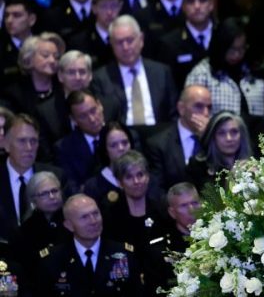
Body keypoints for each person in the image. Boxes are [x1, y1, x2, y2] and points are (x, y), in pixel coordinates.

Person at [37, 194, 143, 295]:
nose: (93, 221)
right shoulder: (53, 260)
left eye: (96, 214)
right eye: (84, 217)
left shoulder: (123, 254)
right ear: (69, 225)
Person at [90, 14, 178, 129]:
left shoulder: (161, 72)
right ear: (111, 44)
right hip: (122, 138)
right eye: (119, 42)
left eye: (130, 40)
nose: (126, 47)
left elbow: (173, 114)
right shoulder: (101, 78)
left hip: (158, 135)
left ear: (141, 39)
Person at [101, 150, 168, 294]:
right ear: (119, 182)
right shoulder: (111, 216)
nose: (137, 181)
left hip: (160, 285)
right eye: (129, 177)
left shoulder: (161, 210)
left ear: (148, 177)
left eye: (140, 175)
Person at [0, 114, 67, 242]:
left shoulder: (57, 177)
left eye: (33, 141)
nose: (29, 148)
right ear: (6, 144)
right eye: (22, 141)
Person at [184, 17, 264, 119]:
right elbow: (191, 117)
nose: (237, 54)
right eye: (232, 49)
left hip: (256, 133)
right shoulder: (201, 74)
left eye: (242, 48)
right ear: (221, 46)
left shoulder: (254, 70)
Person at [146, 84, 211, 192]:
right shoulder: (158, 144)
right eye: (199, 106)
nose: (206, 113)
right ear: (181, 108)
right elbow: (156, 190)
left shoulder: (214, 141)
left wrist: (208, 138)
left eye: (209, 107)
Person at [13, 171, 71, 277]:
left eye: (55, 191)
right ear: (33, 200)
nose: (52, 196)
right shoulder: (25, 230)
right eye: (44, 194)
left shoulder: (73, 219)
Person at [158, 0, 213, 87]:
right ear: (183, 7)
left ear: (211, 4)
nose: (197, 6)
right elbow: (168, 87)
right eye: (190, 1)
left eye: (202, 0)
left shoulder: (223, 35)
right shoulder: (169, 44)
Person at [1, 32, 65, 117]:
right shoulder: (14, 93)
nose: (52, 61)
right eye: (45, 56)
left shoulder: (64, 87)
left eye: (56, 57)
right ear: (28, 59)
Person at [186, 110, 252, 190]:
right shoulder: (197, 168)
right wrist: (231, 179)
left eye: (234, 132)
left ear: (242, 135)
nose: (229, 138)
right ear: (213, 137)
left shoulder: (252, 165)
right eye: (221, 133)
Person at [54, 89, 107, 187]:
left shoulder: (121, 136)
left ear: (100, 105)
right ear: (74, 120)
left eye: (93, 111)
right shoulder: (64, 148)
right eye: (83, 116)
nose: (92, 119)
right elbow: (71, 187)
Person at [67, 0, 122, 67]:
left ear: (120, 6)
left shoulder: (127, 39)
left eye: (113, 6)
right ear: (94, 8)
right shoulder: (79, 42)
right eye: (104, 6)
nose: (109, 12)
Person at [82, 121, 132, 205]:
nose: (121, 148)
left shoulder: (145, 177)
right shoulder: (94, 186)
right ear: (105, 150)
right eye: (113, 145)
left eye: (125, 143)